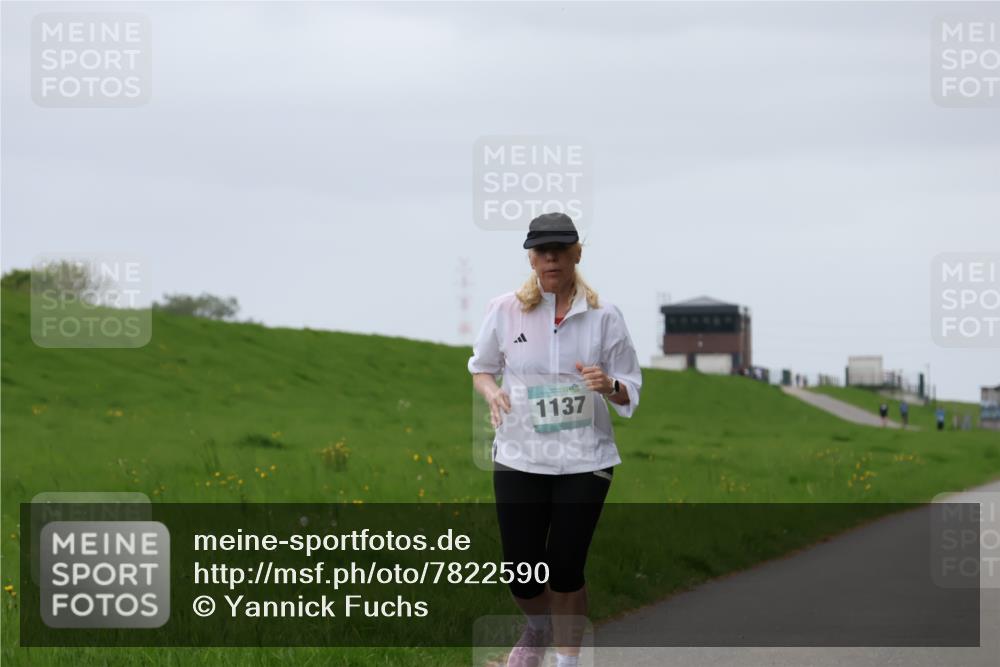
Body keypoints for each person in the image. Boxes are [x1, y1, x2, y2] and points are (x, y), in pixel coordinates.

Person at [468, 212, 642, 667]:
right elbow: (481, 367)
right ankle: (539, 627)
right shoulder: (505, 310)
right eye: (542, 251)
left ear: (576, 255)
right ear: (530, 257)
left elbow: (631, 387)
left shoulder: (605, 316)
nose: (551, 258)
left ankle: (565, 662)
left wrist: (609, 385)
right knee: (522, 575)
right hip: (520, 454)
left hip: (586, 459)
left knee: (565, 570)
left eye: (560, 250)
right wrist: (492, 393)